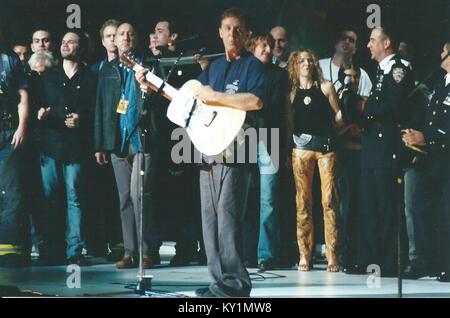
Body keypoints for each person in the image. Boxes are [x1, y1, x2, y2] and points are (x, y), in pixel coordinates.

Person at [194, 7, 266, 297]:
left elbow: (255, 101)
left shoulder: (253, 66)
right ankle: (218, 282)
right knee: (209, 221)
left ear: (246, 34)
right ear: (220, 33)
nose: (232, 34)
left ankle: (236, 283)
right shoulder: (213, 67)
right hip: (209, 150)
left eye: (238, 29)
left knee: (228, 218)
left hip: (237, 151)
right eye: (227, 28)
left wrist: (217, 97)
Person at [352, 26, 415, 276]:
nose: (368, 45)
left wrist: (366, 109)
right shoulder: (381, 71)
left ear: (386, 42)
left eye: (372, 40)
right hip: (371, 145)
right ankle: (370, 258)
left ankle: (388, 261)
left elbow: (393, 103)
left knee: (385, 204)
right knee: (369, 203)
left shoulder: (398, 68)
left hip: (386, 143)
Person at [94, 22, 154, 269]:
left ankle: (148, 251)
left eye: (130, 33)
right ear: (114, 41)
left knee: (140, 195)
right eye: (121, 34)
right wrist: (100, 144)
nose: (126, 37)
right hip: (117, 141)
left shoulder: (148, 65)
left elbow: (156, 102)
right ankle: (130, 252)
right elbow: (100, 107)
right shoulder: (107, 69)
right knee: (124, 198)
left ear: (136, 39)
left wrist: (144, 85)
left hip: (140, 137)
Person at [37, 30, 96, 265]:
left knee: (75, 198)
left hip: (76, 146)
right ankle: (52, 249)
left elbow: (96, 110)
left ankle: (75, 251)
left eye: (71, 42)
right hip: (50, 144)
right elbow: (37, 104)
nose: (65, 45)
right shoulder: (48, 76)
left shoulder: (90, 77)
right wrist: (41, 113)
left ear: (81, 47)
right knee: (50, 198)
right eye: (63, 41)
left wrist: (82, 120)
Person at [286, 49, 343, 272]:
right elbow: (289, 123)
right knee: (303, 202)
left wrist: (341, 121)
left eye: (310, 60)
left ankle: (332, 256)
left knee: (329, 201)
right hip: (300, 149)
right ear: (296, 65)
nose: (307, 64)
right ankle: (304, 255)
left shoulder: (326, 87)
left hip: (326, 148)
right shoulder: (291, 92)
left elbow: (338, 116)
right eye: (302, 61)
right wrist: (285, 151)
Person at [401, 39, 450, 282]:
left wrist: (425, 137)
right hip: (433, 159)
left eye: (444, 50)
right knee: (427, 210)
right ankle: (431, 262)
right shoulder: (441, 83)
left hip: (446, 156)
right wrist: (414, 136)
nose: (440, 54)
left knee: (447, 212)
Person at [245, 31, 289, 272]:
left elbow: (281, 110)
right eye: (263, 45)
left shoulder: (280, 75)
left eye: (269, 46)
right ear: (252, 48)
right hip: (244, 137)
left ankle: (266, 253)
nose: (267, 50)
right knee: (245, 197)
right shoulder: (244, 71)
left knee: (268, 198)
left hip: (271, 137)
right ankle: (246, 251)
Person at [0, 26, 30, 267]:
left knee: (11, 189)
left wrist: (21, 127)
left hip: (7, 130)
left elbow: (22, 96)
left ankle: (7, 246)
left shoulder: (10, 60)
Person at [319, 30, 372, 96]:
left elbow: (365, 101)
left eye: (351, 40)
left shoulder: (362, 75)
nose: (347, 42)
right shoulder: (319, 65)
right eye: (343, 38)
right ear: (336, 44)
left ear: (355, 50)